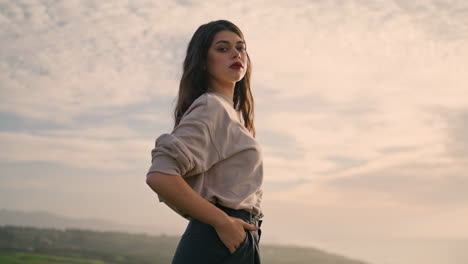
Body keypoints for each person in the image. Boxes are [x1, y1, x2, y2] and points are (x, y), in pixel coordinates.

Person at [145, 20, 264, 264]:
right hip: (220, 240)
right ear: (202, 61)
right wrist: (222, 221)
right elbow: (160, 175)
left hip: (234, 237)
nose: (235, 53)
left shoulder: (230, 114)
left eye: (240, 47)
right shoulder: (212, 107)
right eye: (223, 48)